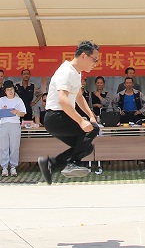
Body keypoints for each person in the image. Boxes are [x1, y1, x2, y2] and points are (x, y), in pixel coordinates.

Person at [37, 40, 101, 184]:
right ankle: (72, 163)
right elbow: (63, 100)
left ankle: (51, 163)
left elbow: (79, 97)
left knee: (86, 147)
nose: (95, 64)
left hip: (60, 118)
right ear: (84, 56)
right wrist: (81, 121)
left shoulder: (76, 73)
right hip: (56, 118)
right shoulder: (66, 71)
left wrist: (90, 116)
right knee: (93, 130)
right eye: (94, 60)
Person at [0, 80, 26, 177]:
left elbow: (23, 113)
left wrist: (17, 112)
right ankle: (4, 167)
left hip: (15, 124)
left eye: (11, 89)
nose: (10, 91)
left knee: (14, 146)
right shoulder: (1, 100)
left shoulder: (18, 100)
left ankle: (13, 166)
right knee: (4, 146)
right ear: (5, 91)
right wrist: (3, 111)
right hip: (4, 124)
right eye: (8, 90)